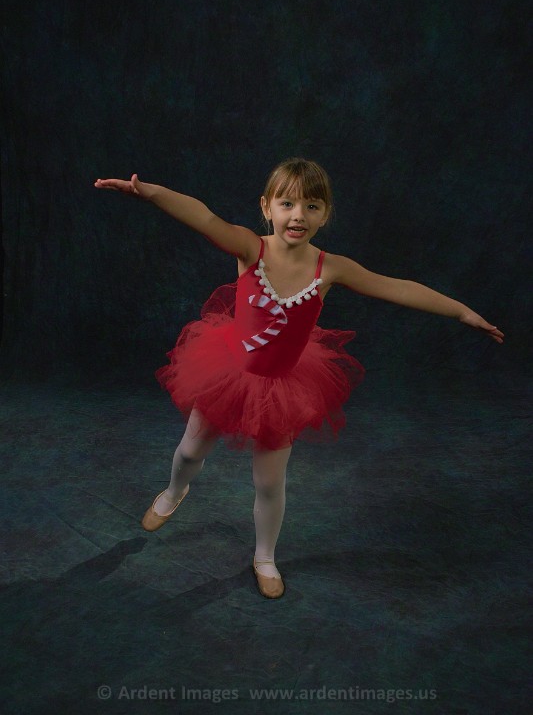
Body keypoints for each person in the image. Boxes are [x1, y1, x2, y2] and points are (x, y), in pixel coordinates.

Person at [94, 158, 504, 599]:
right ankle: (175, 490)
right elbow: (203, 216)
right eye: (287, 204)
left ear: (325, 214)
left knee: (270, 483)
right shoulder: (250, 248)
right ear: (266, 207)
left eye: (311, 206)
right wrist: (150, 192)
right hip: (228, 373)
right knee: (191, 451)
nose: (298, 216)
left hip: (281, 389)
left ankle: (264, 556)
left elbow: (397, 286)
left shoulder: (330, 268)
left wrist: (461, 311)